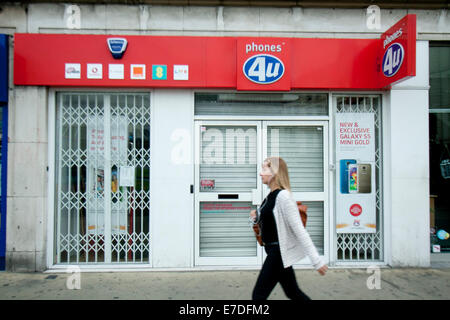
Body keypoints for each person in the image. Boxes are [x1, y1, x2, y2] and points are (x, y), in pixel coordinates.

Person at [250, 157, 327, 300]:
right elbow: (270, 225)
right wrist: (256, 218)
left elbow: (300, 231)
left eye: (264, 169)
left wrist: (317, 261)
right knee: (293, 292)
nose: (261, 173)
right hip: (274, 251)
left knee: (258, 296)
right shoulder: (269, 197)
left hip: (277, 253)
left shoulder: (283, 197)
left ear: (275, 173)